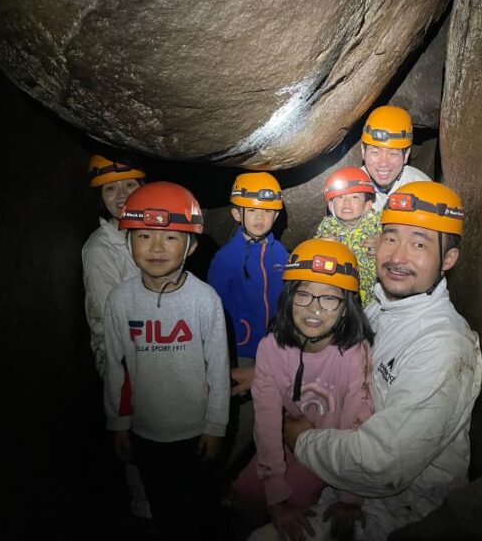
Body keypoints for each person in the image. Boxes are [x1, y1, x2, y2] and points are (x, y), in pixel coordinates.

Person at [251, 181, 482, 541]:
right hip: (344, 481)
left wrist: (303, 441)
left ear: (448, 259)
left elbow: (383, 464)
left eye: (419, 243)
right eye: (390, 238)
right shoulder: (379, 308)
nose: (397, 256)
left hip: (401, 508)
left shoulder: (442, 347)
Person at [103, 181, 230, 540]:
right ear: (127, 240)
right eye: (143, 236)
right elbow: (115, 367)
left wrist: (215, 426)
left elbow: (218, 369)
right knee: (163, 510)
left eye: (171, 237)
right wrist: (118, 423)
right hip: (146, 432)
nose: (156, 247)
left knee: (202, 510)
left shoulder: (205, 300)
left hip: (195, 431)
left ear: (191, 245)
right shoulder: (119, 300)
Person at [229, 239, 374, 541]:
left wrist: (349, 496)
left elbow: (356, 423)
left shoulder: (354, 354)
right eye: (304, 294)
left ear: (347, 307)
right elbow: (266, 423)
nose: (314, 308)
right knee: (243, 493)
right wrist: (276, 496)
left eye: (329, 299)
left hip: (328, 453)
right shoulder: (271, 348)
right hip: (284, 443)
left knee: (299, 507)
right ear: (289, 298)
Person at [80, 153, 154, 529]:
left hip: (164, 357)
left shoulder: (152, 233)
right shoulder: (101, 249)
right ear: (100, 196)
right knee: (140, 467)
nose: (122, 194)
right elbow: (104, 326)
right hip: (126, 363)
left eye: (129, 185)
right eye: (111, 188)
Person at [208, 172, 289, 469]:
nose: (259, 217)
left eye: (267, 211)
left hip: (274, 351)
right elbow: (213, 312)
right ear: (236, 213)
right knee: (240, 423)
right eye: (251, 210)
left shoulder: (281, 253)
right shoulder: (225, 259)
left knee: (268, 420)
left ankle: (254, 482)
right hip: (240, 354)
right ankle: (221, 481)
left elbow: (287, 304)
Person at [314, 166, 380, 306]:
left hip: (375, 298)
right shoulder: (327, 228)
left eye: (355, 197)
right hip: (341, 296)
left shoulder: (379, 225)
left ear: (368, 205)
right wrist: (321, 248)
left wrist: (385, 243)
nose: (346, 202)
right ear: (331, 205)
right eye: (340, 197)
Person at [359, 105, 430, 212]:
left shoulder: (422, 189)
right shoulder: (350, 190)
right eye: (375, 152)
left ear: (406, 155)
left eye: (393, 154)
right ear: (363, 152)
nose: (383, 163)